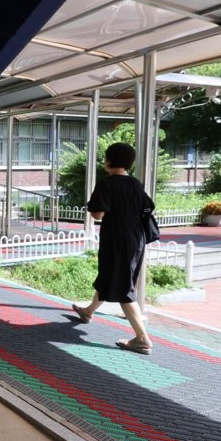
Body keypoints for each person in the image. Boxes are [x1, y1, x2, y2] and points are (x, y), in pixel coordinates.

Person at [70, 142, 154, 354]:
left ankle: (142, 339)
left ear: (108, 160)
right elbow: (147, 206)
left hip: (118, 238)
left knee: (124, 287)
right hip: (137, 237)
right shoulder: (136, 184)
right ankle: (88, 311)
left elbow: (97, 213)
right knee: (110, 275)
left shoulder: (107, 184)